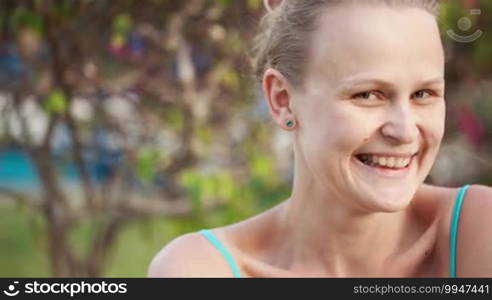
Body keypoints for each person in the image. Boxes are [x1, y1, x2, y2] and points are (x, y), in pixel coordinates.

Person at [148, 0, 492, 277]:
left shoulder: (476, 228)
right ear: (282, 99)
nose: (404, 131)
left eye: (423, 94)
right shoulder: (203, 269)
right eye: (368, 95)